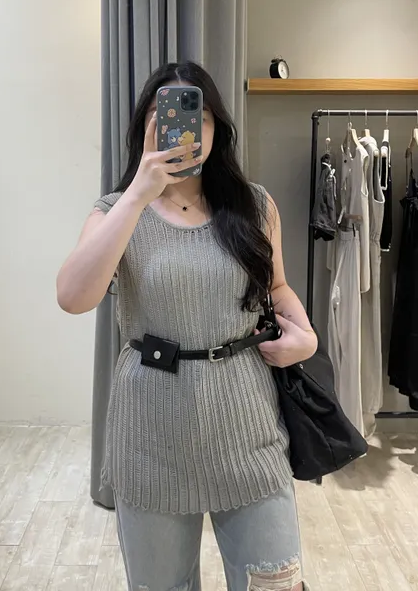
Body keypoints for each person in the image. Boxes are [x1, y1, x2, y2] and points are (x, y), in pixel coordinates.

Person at [57, 62, 316, 591]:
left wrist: (305, 335)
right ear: (146, 128)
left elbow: (277, 287)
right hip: (150, 434)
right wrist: (139, 192)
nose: (183, 129)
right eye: (165, 115)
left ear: (216, 128)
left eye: (198, 116)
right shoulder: (115, 211)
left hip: (247, 425)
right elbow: (73, 297)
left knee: (275, 582)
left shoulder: (255, 205)